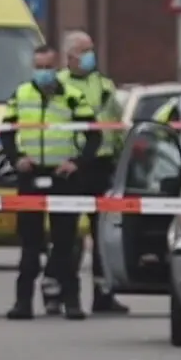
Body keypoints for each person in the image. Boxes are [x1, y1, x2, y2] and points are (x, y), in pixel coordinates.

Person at [0, 44, 100, 321]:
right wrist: (16, 158)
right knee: (30, 243)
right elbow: (6, 132)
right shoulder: (21, 95)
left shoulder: (72, 97)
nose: (43, 73)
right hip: (30, 176)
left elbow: (94, 136)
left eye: (48, 67)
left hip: (63, 177)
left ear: (57, 68)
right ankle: (23, 303)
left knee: (65, 243)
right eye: (38, 67)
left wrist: (77, 163)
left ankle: (72, 303)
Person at [57, 29, 129, 316]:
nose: (90, 56)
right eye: (84, 51)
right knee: (67, 236)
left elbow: (116, 124)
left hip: (101, 165)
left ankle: (104, 294)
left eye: (91, 50)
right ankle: (65, 295)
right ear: (70, 56)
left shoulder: (105, 86)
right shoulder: (59, 86)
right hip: (72, 167)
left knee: (103, 236)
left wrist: (121, 160)